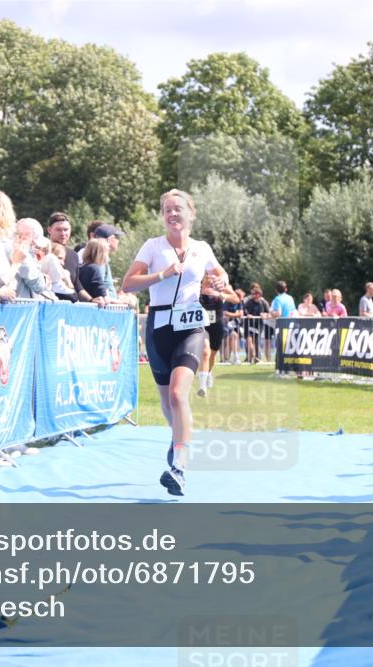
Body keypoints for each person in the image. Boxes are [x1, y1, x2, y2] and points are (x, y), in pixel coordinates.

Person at [121, 188, 229, 496]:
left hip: (191, 326)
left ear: (190, 213)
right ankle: (177, 436)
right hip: (158, 328)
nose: (172, 214)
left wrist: (221, 281)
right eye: (167, 210)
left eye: (177, 209)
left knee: (180, 394)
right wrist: (161, 274)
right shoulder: (152, 246)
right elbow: (128, 283)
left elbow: (221, 276)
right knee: (168, 401)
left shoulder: (202, 248)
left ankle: (179, 466)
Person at [198, 279, 239, 396]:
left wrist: (222, 295)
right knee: (205, 352)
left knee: (212, 354)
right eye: (206, 272)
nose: (209, 276)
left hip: (217, 324)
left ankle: (208, 372)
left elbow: (236, 299)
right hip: (202, 324)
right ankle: (202, 386)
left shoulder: (220, 285)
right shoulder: (196, 285)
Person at [47, 212, 93, 302]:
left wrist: (91, 300)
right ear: (49, 230)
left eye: (66, 229)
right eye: (58, 230)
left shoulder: (73, 255)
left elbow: (77, 285)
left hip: (69, 308)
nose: (63, 233)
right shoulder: (43, 251)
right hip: (48, 306)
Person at [78, 238, 116, 306]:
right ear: (101, 253)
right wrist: (124, 302)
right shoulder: (94, 269)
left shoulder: (83, 268)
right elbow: (104, 296)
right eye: (107, 252)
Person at [243, 283, 271, 362]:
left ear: (259, 295)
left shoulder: (263, 302)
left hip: (258, 325)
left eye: (255, 294)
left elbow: (269, 313)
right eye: (252, 294)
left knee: (257, 342)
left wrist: (265, 315)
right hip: (249, 324)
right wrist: (248, 314)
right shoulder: (249, 301)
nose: (253, 295)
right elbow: (244, 310)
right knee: (249, 341)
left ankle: (257, 357)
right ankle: (251, 356)